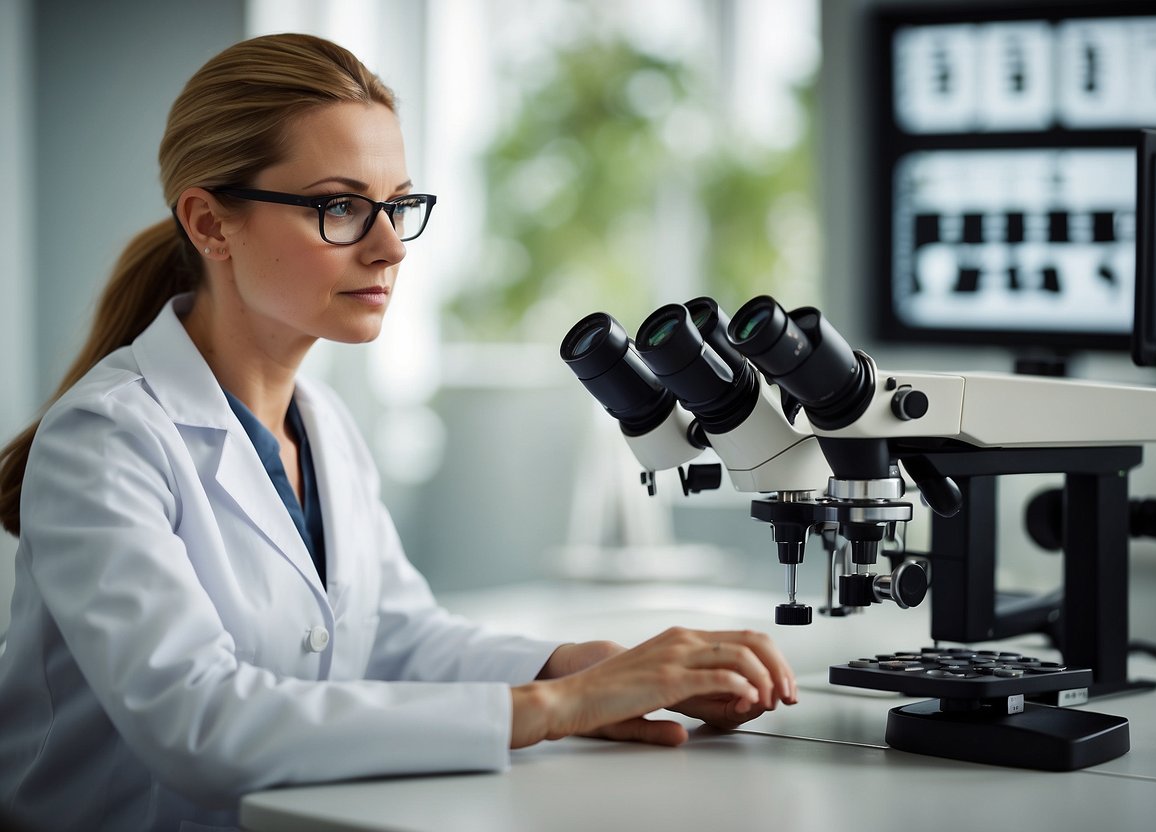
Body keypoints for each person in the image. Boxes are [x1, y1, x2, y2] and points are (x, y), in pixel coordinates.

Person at [0, 33, 797, 832]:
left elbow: (392, 639)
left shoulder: (322, 425)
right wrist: (558, 706)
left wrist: (574, 666)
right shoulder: (105, 441)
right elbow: (201, 724)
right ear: (210, 223)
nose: (388, 248)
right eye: (340, 207)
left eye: (397, 205)